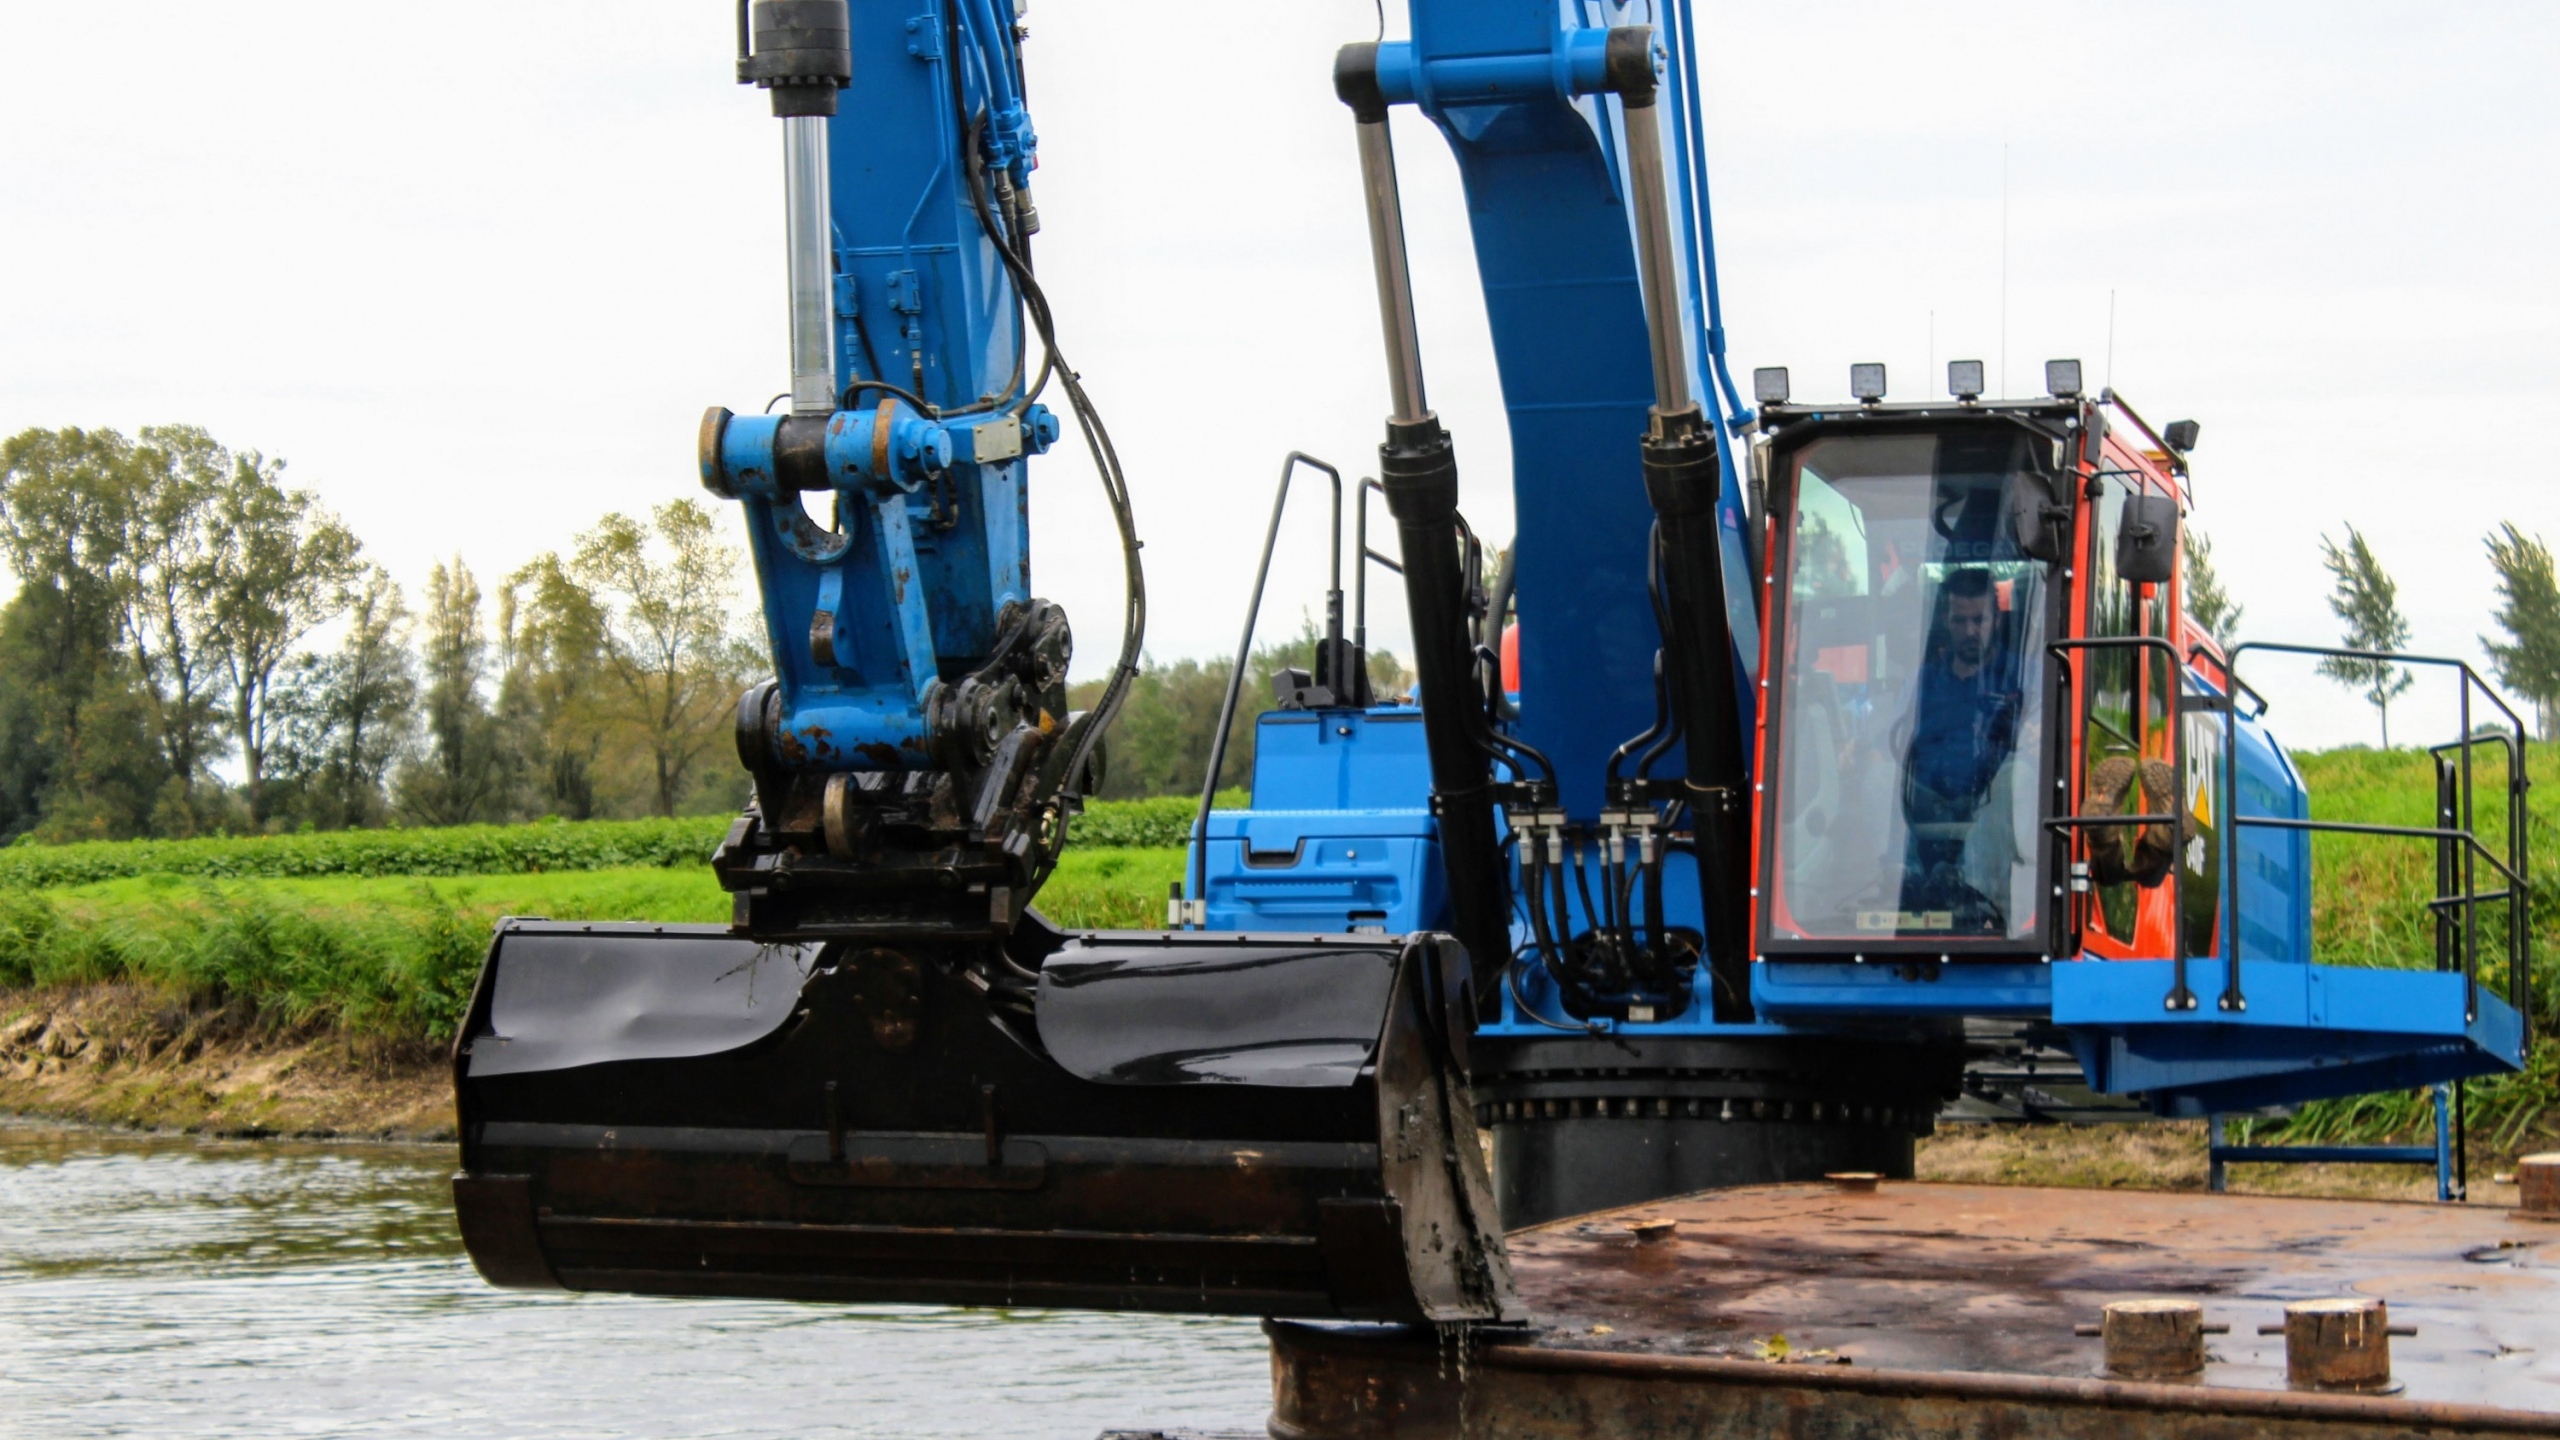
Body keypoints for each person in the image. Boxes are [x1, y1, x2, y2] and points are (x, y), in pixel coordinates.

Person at [1896, 567, 2025, 932]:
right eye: (1959, 621)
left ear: (1996, 620)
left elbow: (2040, 743)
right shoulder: (1920, 683)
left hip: (1991, 808)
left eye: (1979, 620)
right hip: (1923, 807)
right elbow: (1886, 746)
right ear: (1945, 622)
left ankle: (1983, 903)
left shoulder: (2024, 677)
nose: (1970, 631)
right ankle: (1905, 886)